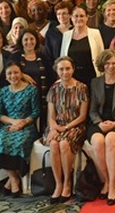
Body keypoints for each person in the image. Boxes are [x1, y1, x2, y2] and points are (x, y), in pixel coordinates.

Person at [84, 50, 115, 206]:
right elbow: (92, 110)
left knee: (111, 139)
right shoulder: (95, 82)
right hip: (98, 123)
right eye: (108, 63)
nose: (111, 66)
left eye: (114, 63)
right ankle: (105, 180)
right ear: (102, 65)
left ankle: (112, 185)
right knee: (98, 142)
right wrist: (99, 123)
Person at [43, 56, 88, 203]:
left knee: (63, 144)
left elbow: (82, 116)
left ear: (73, 69)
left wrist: (65, 128)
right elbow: (51, 116)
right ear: (56, 70)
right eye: (61, 69)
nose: (65, 72)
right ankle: (58, 184)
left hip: (75, 126)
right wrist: (54, 128)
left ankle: (68, 183)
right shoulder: (54, 88)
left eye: (67, 68)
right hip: (57, 126)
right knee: (54, 144)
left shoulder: (82, 88)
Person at [0, 61, 40, 198]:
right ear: (6, 76)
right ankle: (13, 178)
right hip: (8, 124)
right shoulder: (3, 91)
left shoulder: (31, 90)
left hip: (27, 125)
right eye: (10, 73)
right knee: (2, 141)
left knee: (20, 142)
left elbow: (36, 112)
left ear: (21, 74)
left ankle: (11, 180)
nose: (13, 76)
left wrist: (23, 123)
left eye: (16, 72)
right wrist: (13, 122)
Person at [11, 28, 56, 132]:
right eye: (25, 39)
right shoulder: (15, 57)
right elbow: (9, 73)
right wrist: (21, 75)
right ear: (21, 41)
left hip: (41, 96)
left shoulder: (43, 57)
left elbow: (51, 76)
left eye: (32, 39)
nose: (29, 42)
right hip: (22, 99)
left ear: (36, 41)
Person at [59, 6, 105, 89]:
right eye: (76, 16)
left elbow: (101, 56)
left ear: (87, 18)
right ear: (71, 18)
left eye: (81, 16)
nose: (79, 18)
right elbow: (63, 57)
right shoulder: (66, 35)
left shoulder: (96, 33)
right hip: (72, 77)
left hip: (91, 76)